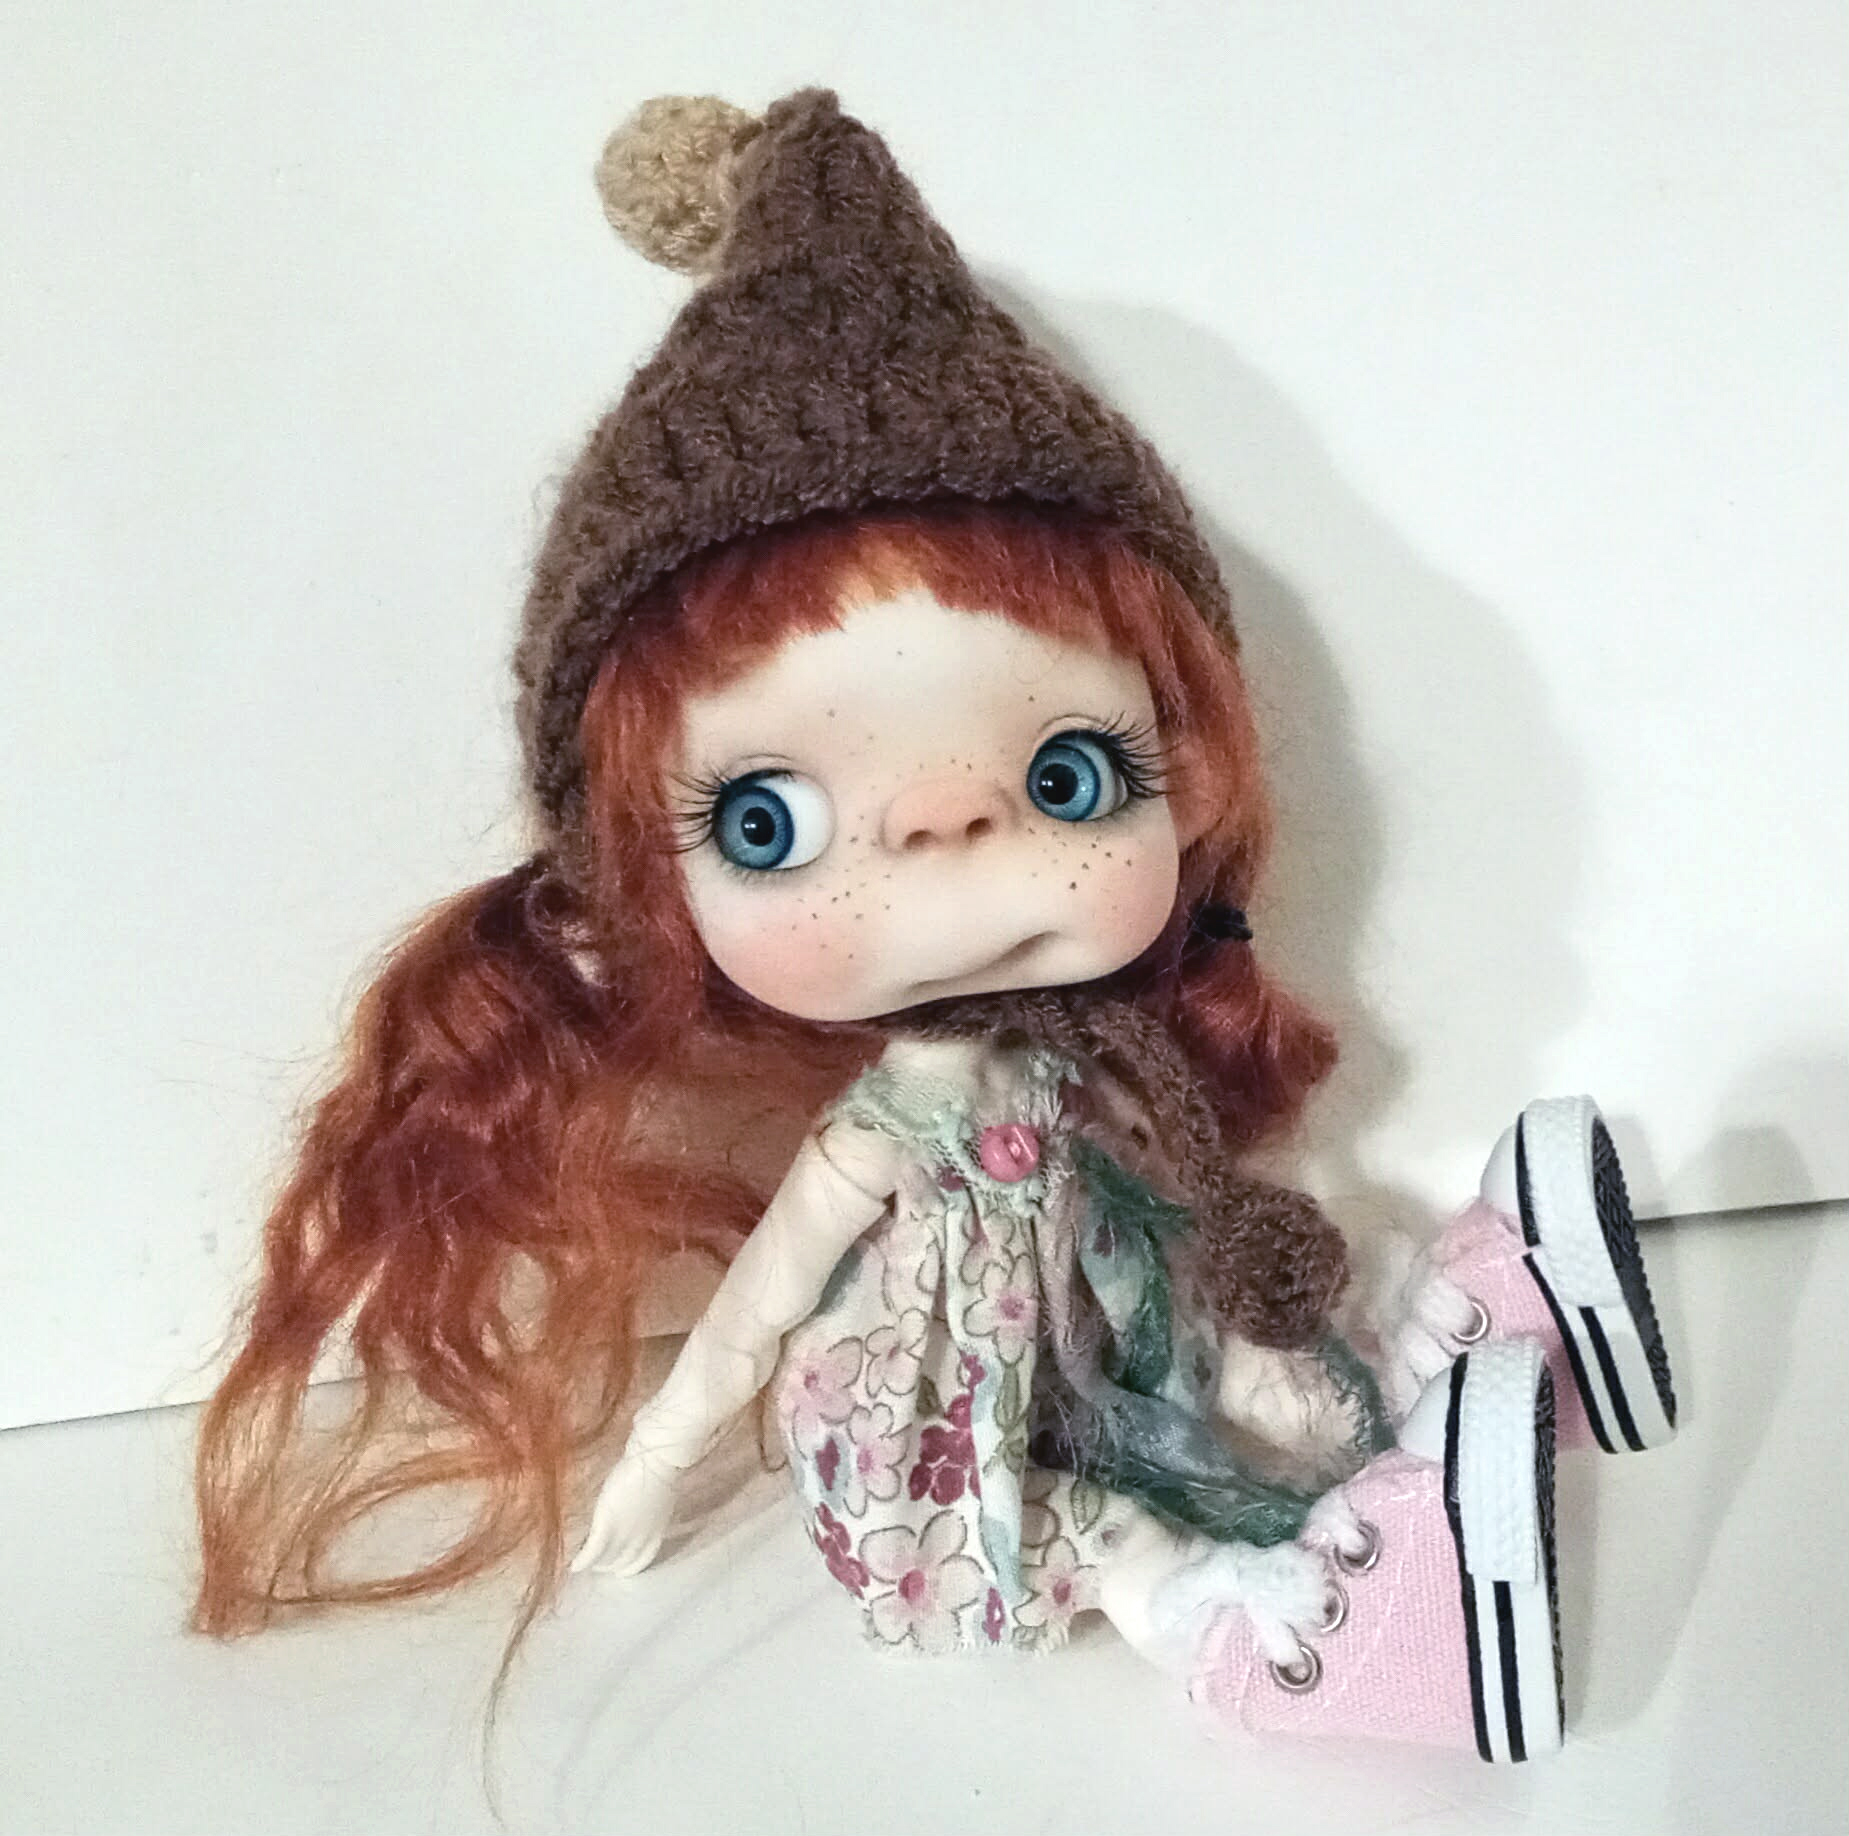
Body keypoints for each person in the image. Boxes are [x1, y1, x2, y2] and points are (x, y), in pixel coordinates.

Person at [195, 89, 1674, 1764]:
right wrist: (661, 1457)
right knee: (1093, 1527)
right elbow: (760, 1308)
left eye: (1065, 776)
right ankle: (1278, 1646)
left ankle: (1465, 1371)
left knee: (1245, 1355)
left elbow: (1177, 1224)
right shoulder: (890, 1127)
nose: (945, 845)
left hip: (1108, 1344)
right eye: (769, 821)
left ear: (1188, 770)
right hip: (945, 1437)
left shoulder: (1116, 1071)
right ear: (641, 878)